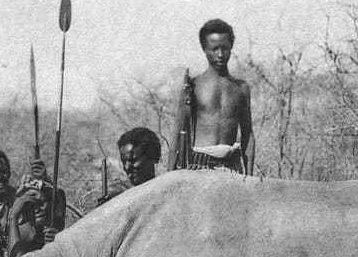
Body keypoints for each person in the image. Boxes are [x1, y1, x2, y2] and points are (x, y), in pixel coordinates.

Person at [167, 19, 255, 175]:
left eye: (225, 48)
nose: (220, 54)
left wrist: (249, 176)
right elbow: (177, 131)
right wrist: (170, 173)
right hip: (199, 166)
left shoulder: (241, 88)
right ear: (204, 49)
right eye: (214, 49)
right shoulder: (193, 86)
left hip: (232, 167)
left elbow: (247, 135)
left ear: (231, 47)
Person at [7, 175, 66, 257]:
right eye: (30, 204)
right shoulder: (20, 234)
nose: (37, 208)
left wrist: (54, 246)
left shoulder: (57, 234)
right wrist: (13, 217)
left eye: (41, 202)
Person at [98, 127, 161, 205]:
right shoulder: (116, 193)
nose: (127, 167)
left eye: (133, 160)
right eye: (123, 162)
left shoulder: (166, 189)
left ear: (153, 157)